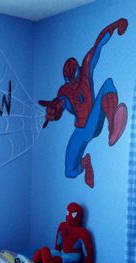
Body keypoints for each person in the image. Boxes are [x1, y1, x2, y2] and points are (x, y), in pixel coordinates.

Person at [39, 18, 128, 188]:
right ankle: (86, 164)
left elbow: (99, 43)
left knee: (108, 84)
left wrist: (116, 24)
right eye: (68, 81)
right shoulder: (64, 91)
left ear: (79, 71)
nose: (73, 84)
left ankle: (112, 127)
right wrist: (54, 110)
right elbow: (62, 103)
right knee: (69, 171)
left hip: (94, 121)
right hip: (80, 130)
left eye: (74, 79)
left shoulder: (86, 69)